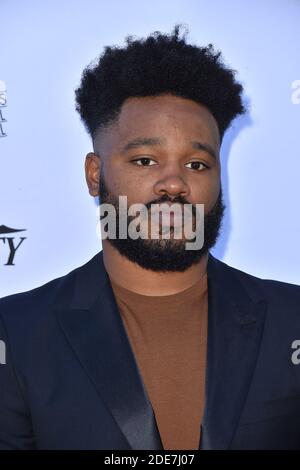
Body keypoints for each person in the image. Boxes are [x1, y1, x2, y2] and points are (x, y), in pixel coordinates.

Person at [0, 25, 300, 451]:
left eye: (197, 164)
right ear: (94, 173)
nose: (173, 184)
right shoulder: (15, 333)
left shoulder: (292, 321)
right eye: (144, 160)